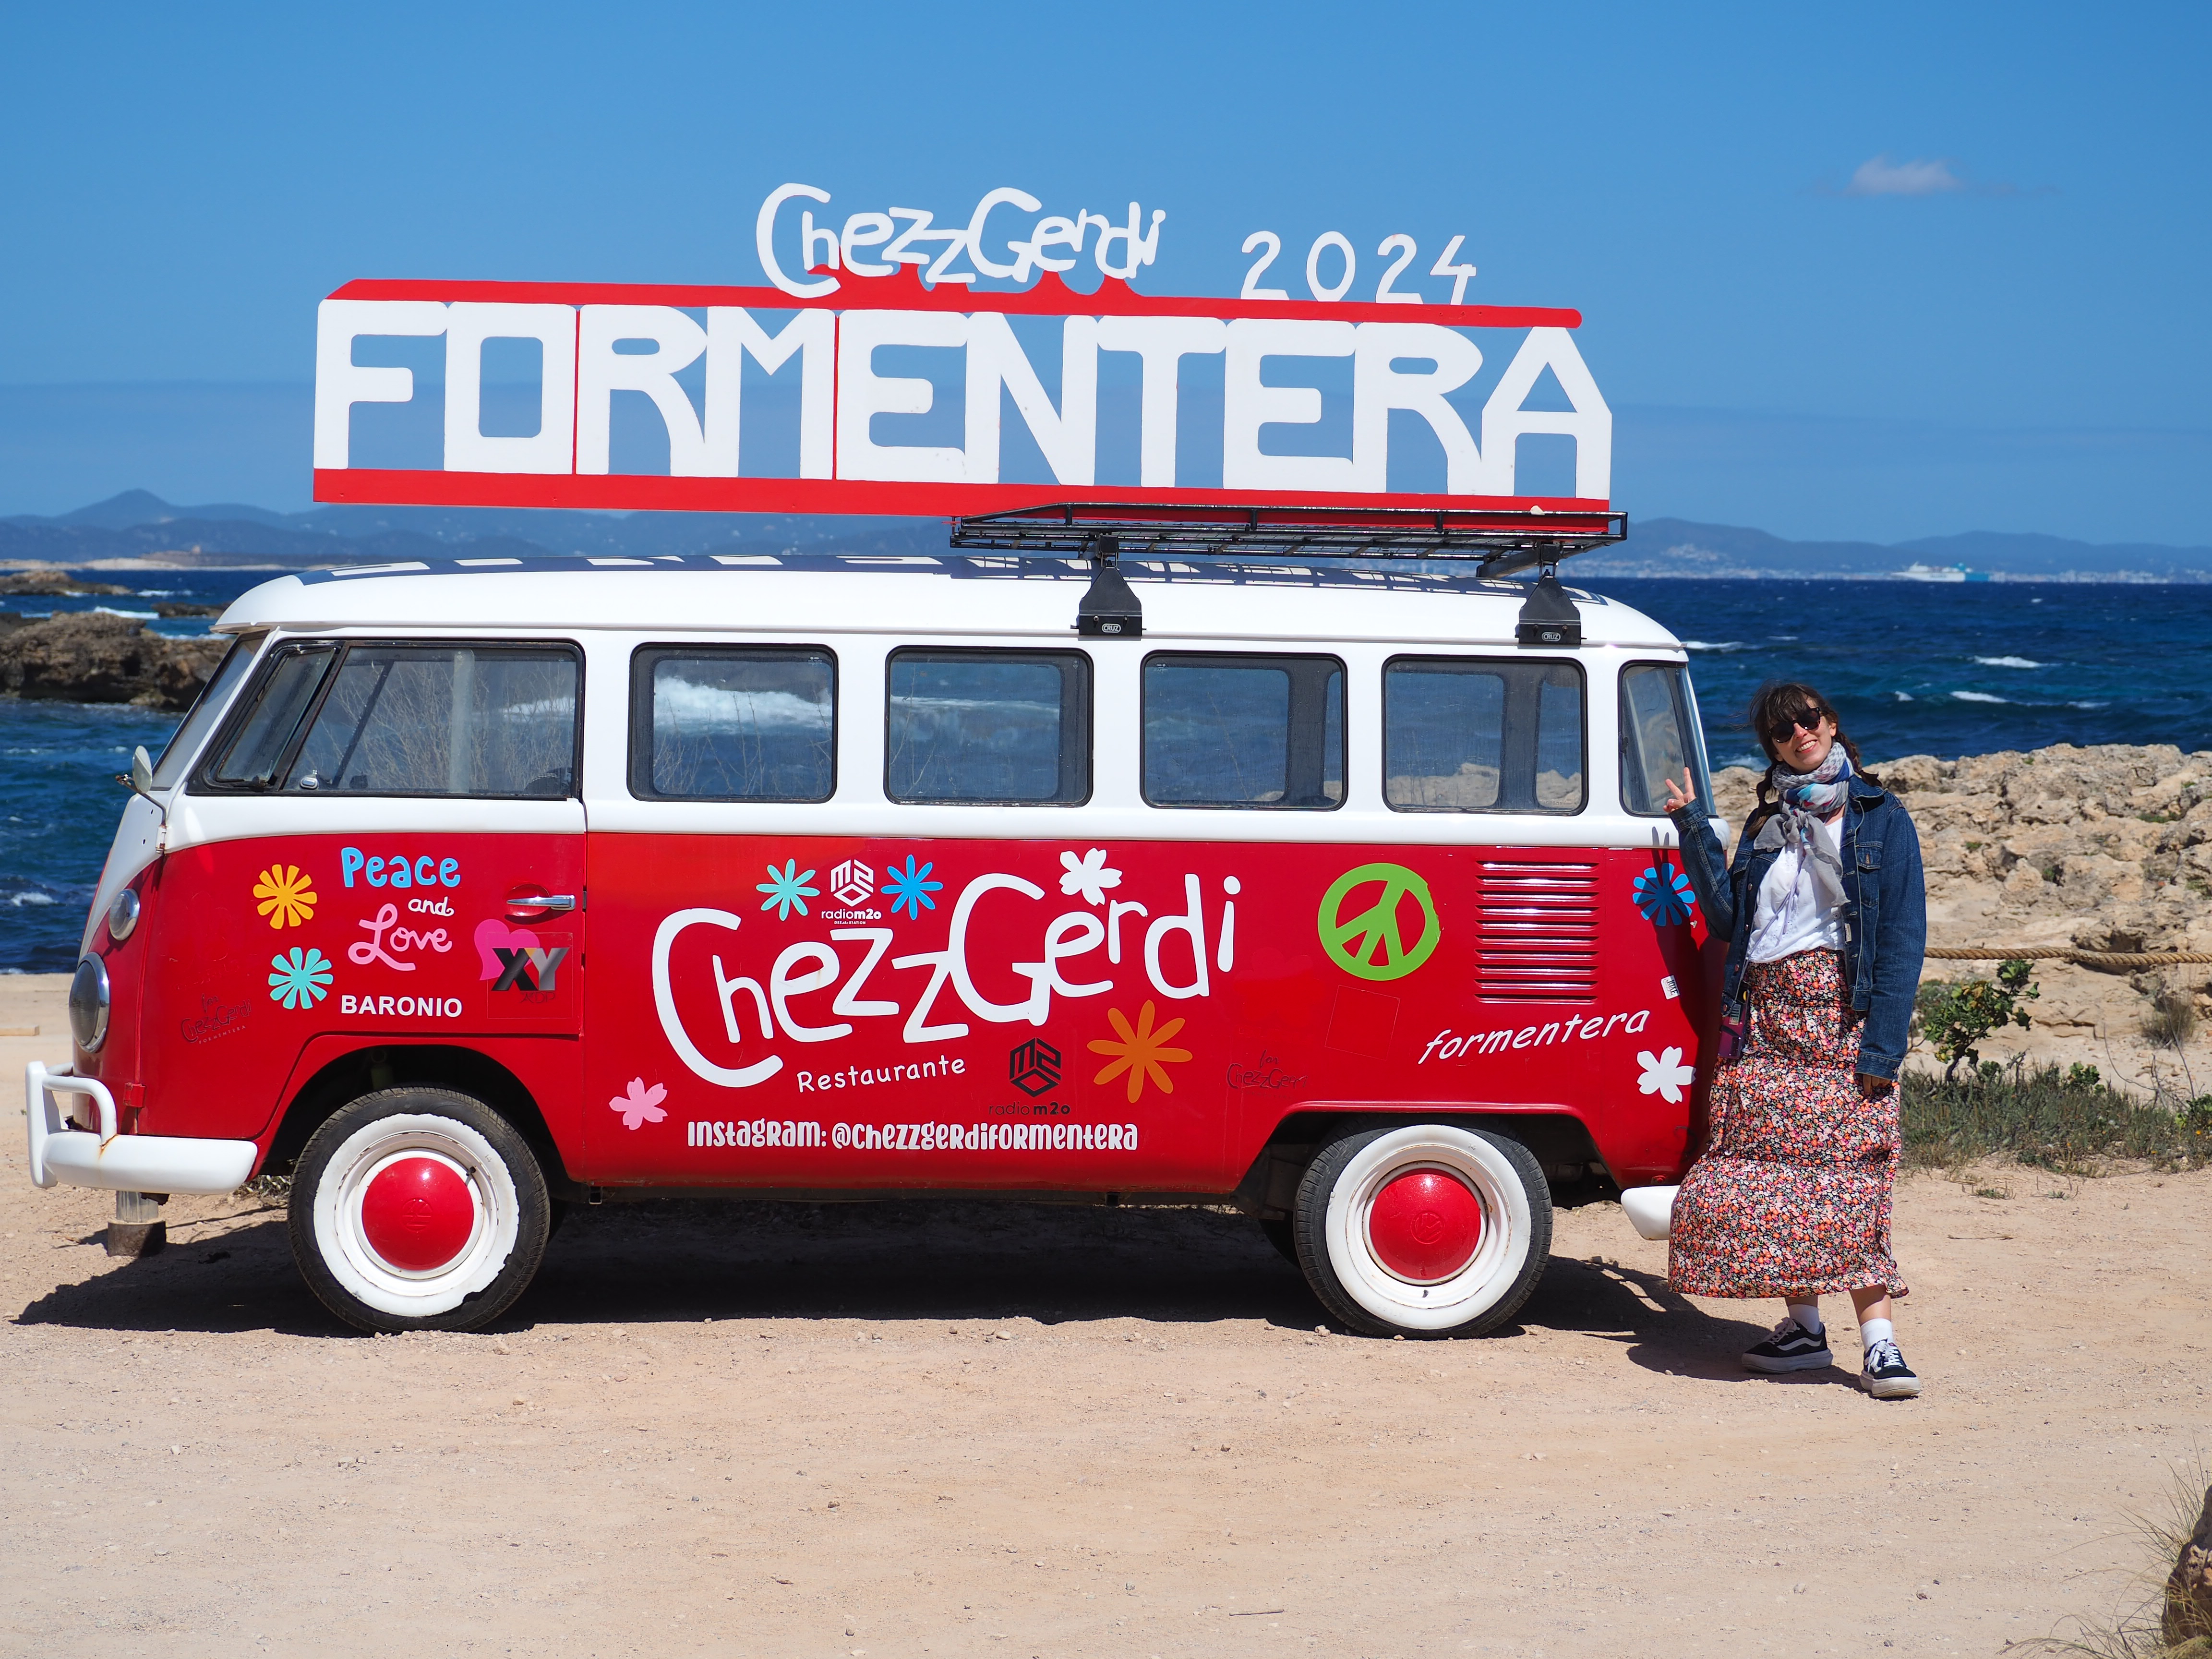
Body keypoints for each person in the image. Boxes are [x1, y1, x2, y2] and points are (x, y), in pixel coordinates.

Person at [1661, 680, 1927, 1399]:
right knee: (1772, 1184)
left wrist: (1882, 1048)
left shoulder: (1880, 817)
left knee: (1850, 1180)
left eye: (1808, 720)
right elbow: (1730, 920)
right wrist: (1693, 828)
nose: (1799, 735)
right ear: (1772, 747)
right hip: (1766, 1023)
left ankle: (1880, 1347)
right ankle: (1805, 1331)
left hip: (1842, 1020)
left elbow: (1902, 939)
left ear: (1832, 724)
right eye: (1782, 731)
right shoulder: (1764, 823)